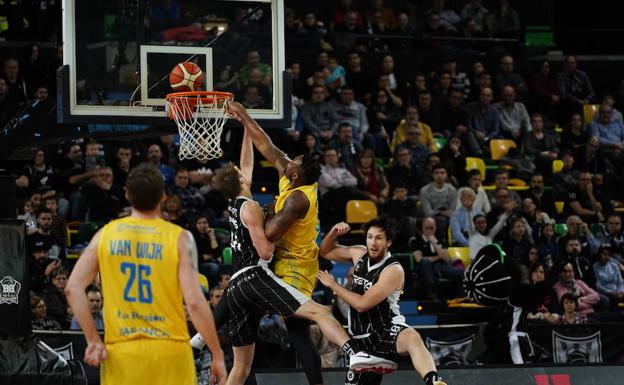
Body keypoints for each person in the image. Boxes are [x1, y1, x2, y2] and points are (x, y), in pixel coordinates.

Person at [207, 131, 392, 385]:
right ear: (242, 182)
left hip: (240, 284)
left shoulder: (236, 203)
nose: (244, 172)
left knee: (239, 364)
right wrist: (271, 213)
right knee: (317, 316)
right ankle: (355, 353)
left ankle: (194, 344)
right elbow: (266, 251)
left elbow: (248, 162)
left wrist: (246, 129)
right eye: (241, 174)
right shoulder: (251, 207)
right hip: (258, 276)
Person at [65, 163, 227, 385]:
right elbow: (195, 303)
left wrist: (93, 340)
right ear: (162, 196)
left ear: (127, 195)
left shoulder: (105, 235)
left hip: (122, 352)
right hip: (170, 351)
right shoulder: (180, 238)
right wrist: (217, 355)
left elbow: (72, 289)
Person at [318, 219, 448, 385]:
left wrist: (334, 285)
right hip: (360, 340)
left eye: (378, 238)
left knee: (412, 337)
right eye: (370, 237)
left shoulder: (393, 270)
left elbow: (362, 304)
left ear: (389, 241)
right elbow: (325, 252)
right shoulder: (358, 253)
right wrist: (333, 233)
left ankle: (434, 381)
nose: (373, 242)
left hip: (385, 330)